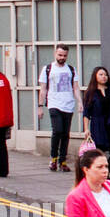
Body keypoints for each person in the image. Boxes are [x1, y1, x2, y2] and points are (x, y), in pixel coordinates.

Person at [38, 44, 82, 173]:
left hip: (68, 104)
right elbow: (43, 89)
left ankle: (62, 161)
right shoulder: (47, 69)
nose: (62, 58)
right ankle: (53, 158)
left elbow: (75, 87)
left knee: (65, 133)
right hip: (54, 104)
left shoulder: (71, 70)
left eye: (64, 56)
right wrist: (40, 107)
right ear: (55, 54)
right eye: (60, 55)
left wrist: (80, 102)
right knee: (57, 131)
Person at [83, 66, 110, 172]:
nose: (104, 77)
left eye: (105, 74)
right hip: (98, 124)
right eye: (101, 74)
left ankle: (106, 171)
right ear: (95, 76)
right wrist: (86, 129)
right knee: (99, 153)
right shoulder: (90, 92)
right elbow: (86, 112)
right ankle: (102, 175)